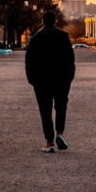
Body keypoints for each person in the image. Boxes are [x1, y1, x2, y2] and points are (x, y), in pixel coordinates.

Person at [25, 11, 75, 152]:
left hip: (41, 80)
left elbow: (29, 61)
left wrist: (31, 79)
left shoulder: (36, 38)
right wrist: (69, 77)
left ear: (43, 21)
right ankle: (60, 133)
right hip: (61, 79)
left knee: (45, 111)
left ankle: (49, 142)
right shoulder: (63, 36)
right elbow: (70, 60)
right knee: (61, 107)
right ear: (56, 21)